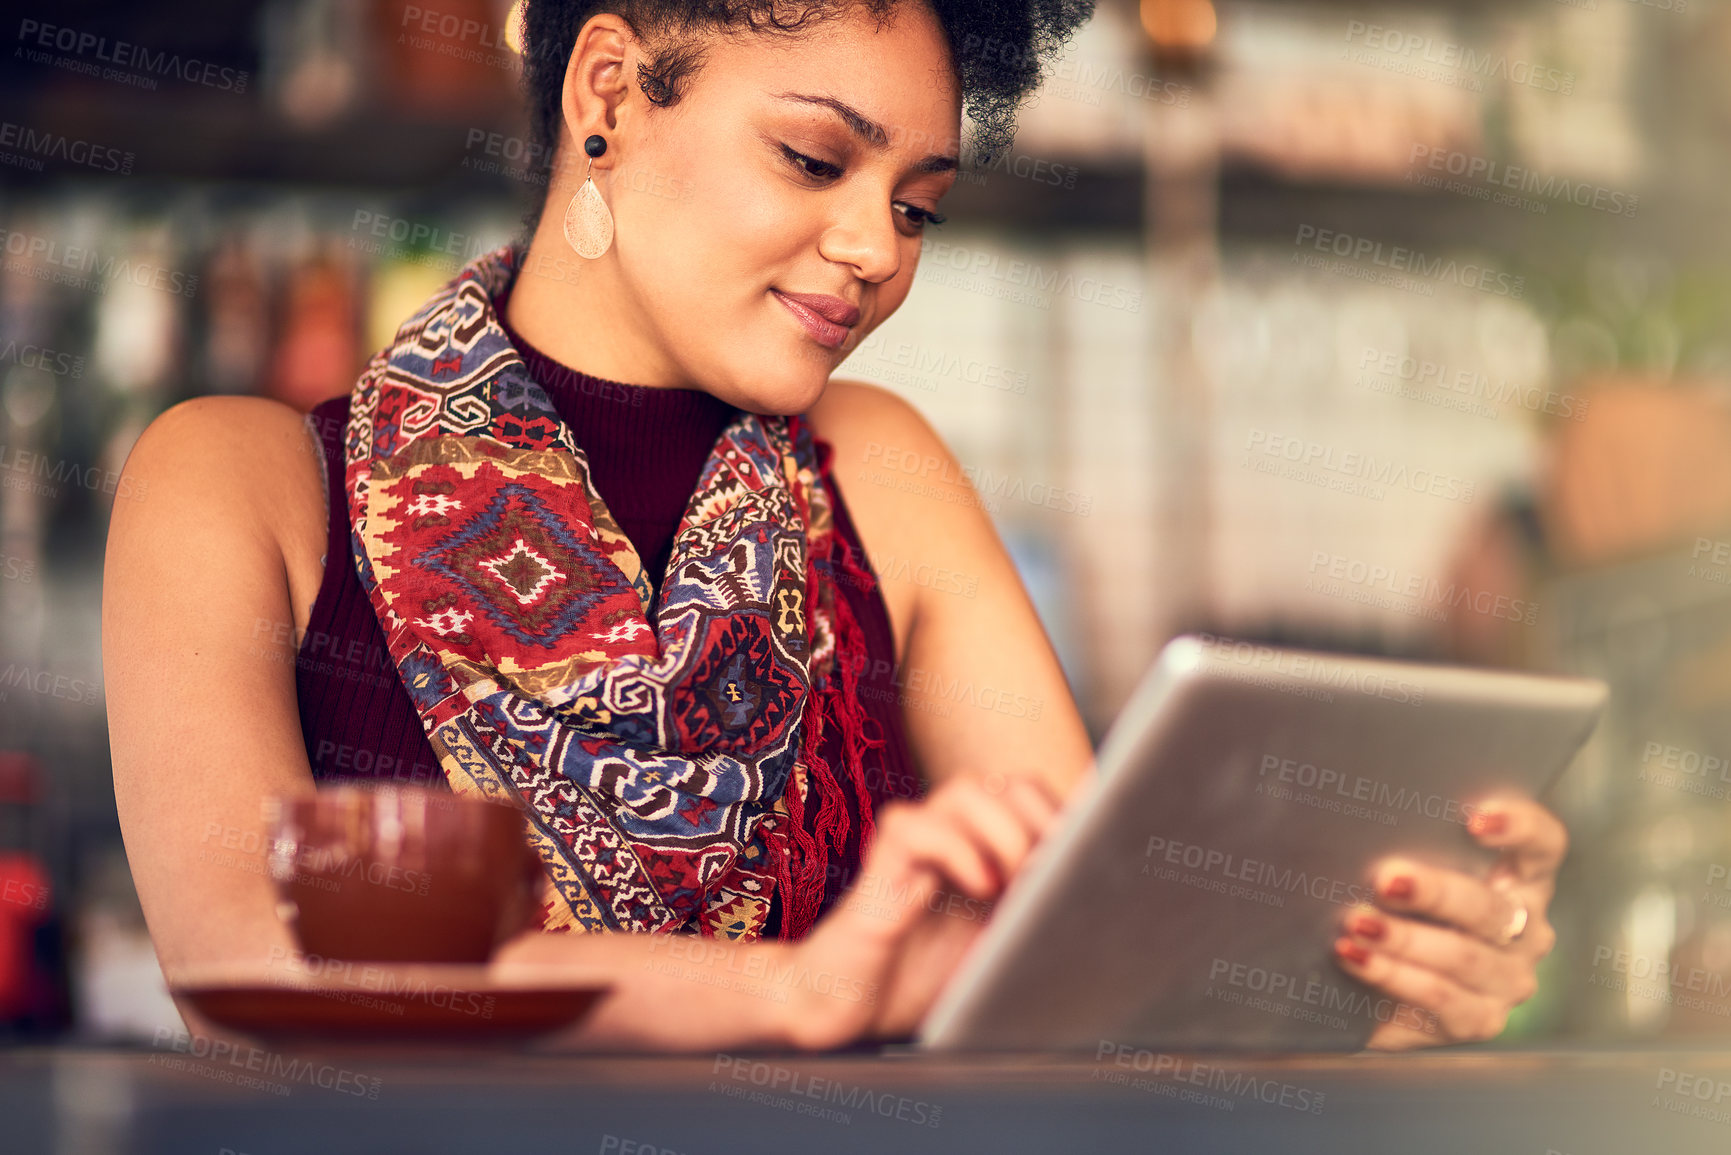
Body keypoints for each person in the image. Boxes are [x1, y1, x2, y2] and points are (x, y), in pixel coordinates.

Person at [103, 0, 1563, 1052]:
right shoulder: (238, 482)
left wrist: (1363, 987)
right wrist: (798, 995)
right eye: (815, 160)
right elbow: (250, 974)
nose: (872, 250)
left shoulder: (879, 469)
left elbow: (1086, 971)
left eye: (917, 205)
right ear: (607, 89)